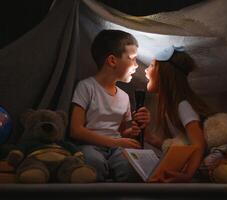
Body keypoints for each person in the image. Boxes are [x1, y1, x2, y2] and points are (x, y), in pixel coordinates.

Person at [70, 30, 150, 182]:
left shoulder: (124, 96)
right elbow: (76, 130)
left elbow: (121, 132)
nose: (136, 65)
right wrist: (116, 142)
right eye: (132, 59)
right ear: (112, 61)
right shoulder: (86, 87)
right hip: (90, 145)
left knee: (130, 165)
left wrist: (134, 129)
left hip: (116, 149)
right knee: (93, 163)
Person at [144, 46, 211, 182]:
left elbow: (198, 144)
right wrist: (148, 137)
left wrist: (187, 175)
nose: (146, 70)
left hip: (200, 169)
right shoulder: (170, 108)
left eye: (151, 66)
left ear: (164, 73)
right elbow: (180, 144)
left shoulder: (183, 106)